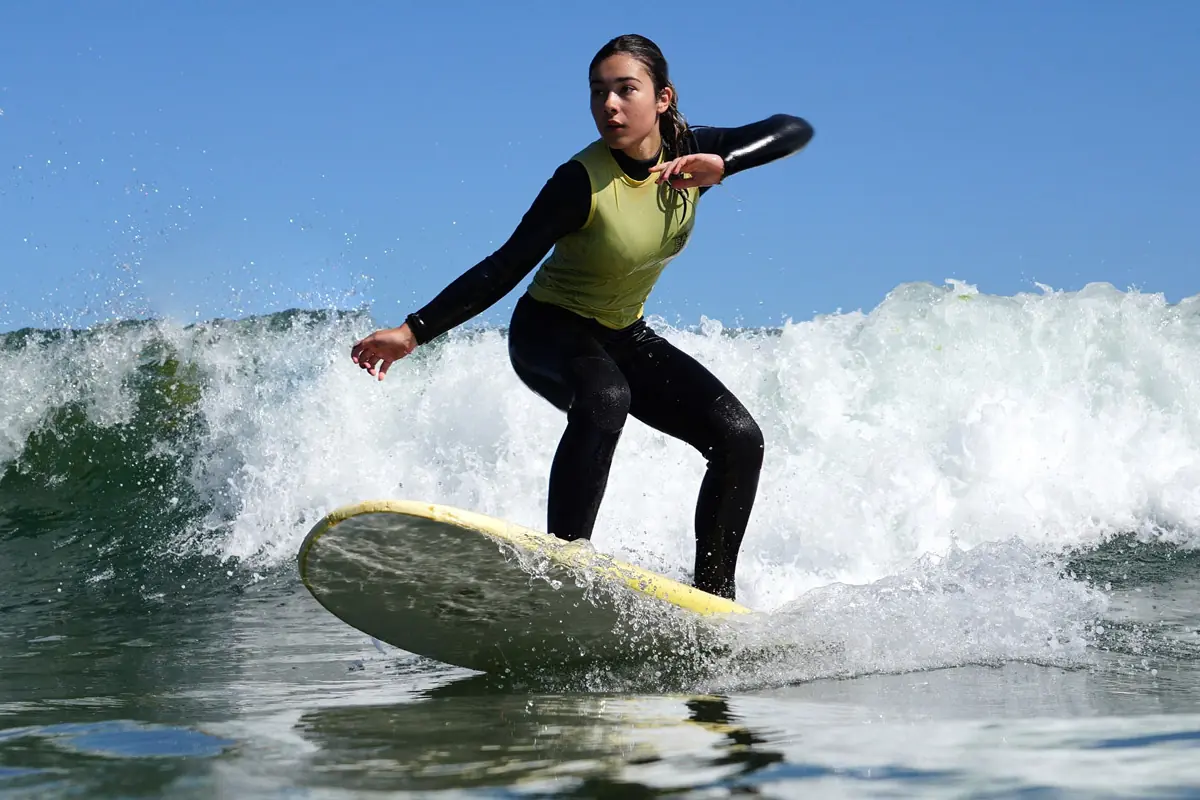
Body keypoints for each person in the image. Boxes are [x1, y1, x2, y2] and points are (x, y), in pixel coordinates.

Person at [350, 34, 813, 601]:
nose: (609, 106)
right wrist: (412, 331)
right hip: (548, 330)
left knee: (740, 440)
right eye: (598, 94)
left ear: (662, 98)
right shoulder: (579, 181)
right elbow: (506, 264)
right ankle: (565, 569)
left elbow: (794, 129)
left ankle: (714, 601)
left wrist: (726, 163)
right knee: (604, 396)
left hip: (625, 335)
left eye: (625, 90)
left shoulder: (692, 153)